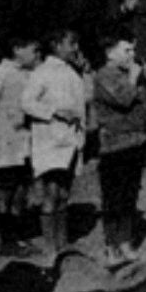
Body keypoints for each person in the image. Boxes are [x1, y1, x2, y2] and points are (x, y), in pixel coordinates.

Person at [0, 34, 43, 259]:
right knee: (7, 191)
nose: (37, 55)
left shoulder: (32, 73)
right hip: (6, 142)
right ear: (17, 49)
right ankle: (7, 240)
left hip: (26, 142)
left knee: (22, 190)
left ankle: (17, 235)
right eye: (33, 50)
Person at [21, 29, 88, 258]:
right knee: (51, 193)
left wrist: (84, 72)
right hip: (50, 141)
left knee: (63, 193)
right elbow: (27, 102)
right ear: (57, 45)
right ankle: (51, 246)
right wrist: (54, 112)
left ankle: (62, 243)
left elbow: (84, 101)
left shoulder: (72, 72)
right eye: (71, 43)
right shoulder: (43, 72)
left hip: (70, 141)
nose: (75, 49)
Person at [92, 31, 146, 266]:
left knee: (130, 194)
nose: (132, 55)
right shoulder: (104, 75)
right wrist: (134, 77)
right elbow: (123, 99)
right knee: (113, 197)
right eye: (126, 50)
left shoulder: (131, 74)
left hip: (135, 142)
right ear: (110, 53)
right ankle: (111, 244)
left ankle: (126, 240)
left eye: (133, 50)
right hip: (114, 145)